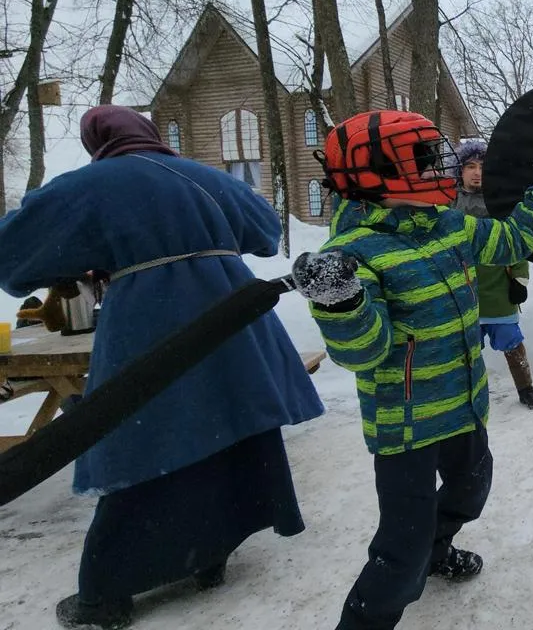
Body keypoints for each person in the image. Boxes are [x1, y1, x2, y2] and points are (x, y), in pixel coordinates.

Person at [0, 105, 324, 629]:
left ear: (97, 142)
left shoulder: (92, 184)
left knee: (141, 440)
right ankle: (208, 557)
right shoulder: (203, 176)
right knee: (230, 429)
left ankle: (106, 595)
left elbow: (12, 251)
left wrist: (91, 255)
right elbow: (264, 229)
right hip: (230, 317)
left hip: (153, 321)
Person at [288, 110, 533, 630]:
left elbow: (510, 240)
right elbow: (362, 353)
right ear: (378, 175)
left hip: (464, 405)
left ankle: (437, 551)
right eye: (423, 160)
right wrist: (341, 302)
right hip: (407, 427)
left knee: (471, 489)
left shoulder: (447, 224)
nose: (440, 169)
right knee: (403, 548)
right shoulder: (352, 256)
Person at [450, 139, 533, 410]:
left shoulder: (502, 203)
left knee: (511, 341)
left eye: (483, 167)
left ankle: (526, 389)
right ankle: (468, 394)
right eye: (470, 166)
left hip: (498, 289)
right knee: (465, 348)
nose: (477, 172)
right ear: (460, 171)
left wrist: (519, 279)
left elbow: (516, 240)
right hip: (461, 291)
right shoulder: (448, 205)